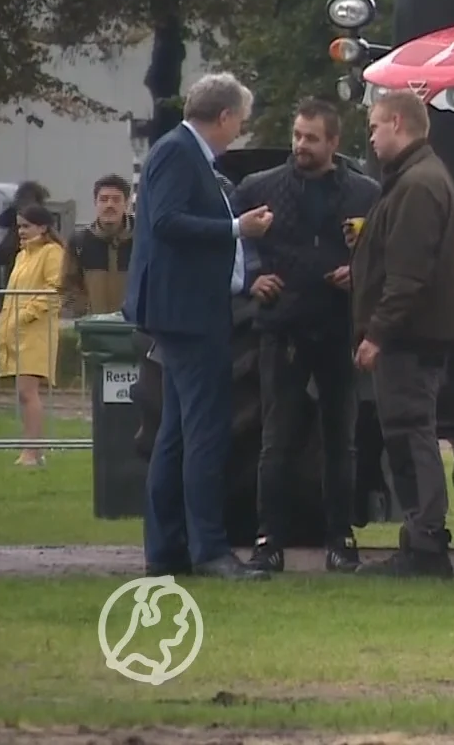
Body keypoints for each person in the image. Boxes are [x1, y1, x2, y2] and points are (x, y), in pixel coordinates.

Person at [125, 72, 274, 581]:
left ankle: (167, 550)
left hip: (189, 309)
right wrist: (237, 228)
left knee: (176, 434)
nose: (239, 133)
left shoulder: (185, 155)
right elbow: (165, 221)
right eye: (240, 123)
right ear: (225, 116)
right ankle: (209, 549)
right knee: (205, 431)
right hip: (187, 315)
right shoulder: (177, 153)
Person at [235, 99, 380, 574]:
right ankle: (268, 538)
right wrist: (251, 278)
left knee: (342, 438)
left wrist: (359, 273)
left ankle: (340, 536)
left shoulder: (364, 193)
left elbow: (381, 252)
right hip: (284, 325)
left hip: (339, 325)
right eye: (298, 135)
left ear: (334, 142)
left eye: (312, 138)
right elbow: (233, 241)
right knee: (276, 437)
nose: (301, 145)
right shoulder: (260, 188)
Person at [349, 89, 454, 578]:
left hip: (408, 339)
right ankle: (421, 540)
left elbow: (408, 275)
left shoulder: (417, 184)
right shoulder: (416, 178)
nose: (371, 137)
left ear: (397, 122)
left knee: (410, 436)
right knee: (407, 434)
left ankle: (424, 544)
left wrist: (377, 333)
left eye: (375, 126)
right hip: (413, 334)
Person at [0, 204, 66, 467]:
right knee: (24, 394)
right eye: (19, 226)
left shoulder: (52, 253)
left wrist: (24, 315)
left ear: (42, 227)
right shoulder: (22, 255)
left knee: (29, 392)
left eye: (26, 226)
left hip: (35, 332)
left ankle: (32, 452)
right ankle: (32, 449)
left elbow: (54, 291)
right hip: (18, 332)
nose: (21, 231)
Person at [63, 175, 135, 317]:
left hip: (133, 330)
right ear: (95, 202)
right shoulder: (79, 241)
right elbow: (68, 285)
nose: (109, 205)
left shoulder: (142, 240)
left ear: (126, 204)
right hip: (92, 328)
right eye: (104, 199)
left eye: (116, 199)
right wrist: (82, 313)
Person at [0, 181, 50, 275]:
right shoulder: (40, 213)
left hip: (13, 251)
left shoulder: (15, 210)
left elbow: (0, 222)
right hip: (19, 250)